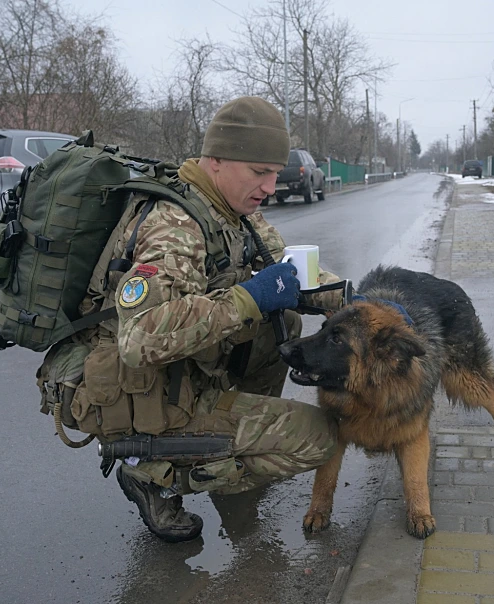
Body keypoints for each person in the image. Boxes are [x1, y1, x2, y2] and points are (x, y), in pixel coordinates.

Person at [87, 96, 347, 543]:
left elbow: (284, 269)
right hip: (150, 388)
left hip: (189, 367)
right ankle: (152, 471)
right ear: (217, 160)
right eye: (259, 172)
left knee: (283, 323)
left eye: (274, 172)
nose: (270, 185)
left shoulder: (231, 210)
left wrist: (353, 301)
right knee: (321, 439)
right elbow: (139, 337)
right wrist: (247, 299)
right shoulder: (174, 224)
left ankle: (225, 442)